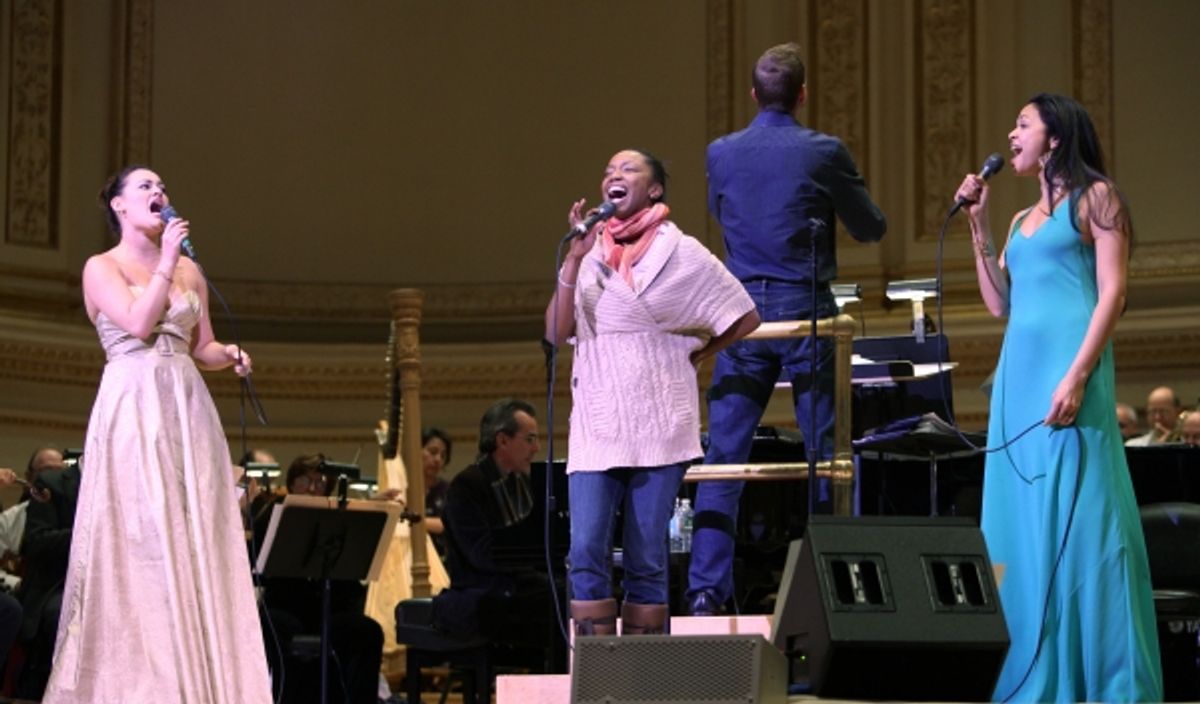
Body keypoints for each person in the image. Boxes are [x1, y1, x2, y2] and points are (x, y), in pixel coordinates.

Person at [954, 93, 1161, 701]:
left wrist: (1077, 376)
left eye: (1022, 124)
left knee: (1085, 524)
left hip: (1069, 379)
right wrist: (980, 224)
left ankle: (1103, 681)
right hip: (1017, 390)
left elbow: (1113, 293)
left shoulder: (1098, 198)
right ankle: (1031, 677)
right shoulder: (1020, 221)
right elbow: (1000, 304)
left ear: (1054, 136)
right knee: (1020, 531)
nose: (1011, 135)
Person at [42, 166, 272, 703]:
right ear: (119, 206)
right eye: (144, 186)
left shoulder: (189, 270)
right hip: (133, 403)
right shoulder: (102, 267)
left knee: (195, 537)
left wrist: (227, 356)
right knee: (143, 540)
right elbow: (139, 324)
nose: (158, 193)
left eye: (162, 186)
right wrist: (167, 261)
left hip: (186, 407)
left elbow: (200, 345)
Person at [688, 42, 887, 616]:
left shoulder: (721, 152)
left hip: (741, 312)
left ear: (754, 94)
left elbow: (722, 216)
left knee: (724, 455)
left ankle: (705, 592)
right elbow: (871, 228)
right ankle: (835, 587)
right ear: (802, 95)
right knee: (826, 452)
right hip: (807, 313)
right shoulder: (823, 151)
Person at [545, 148, 759, 635]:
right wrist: (574, 261)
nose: (613, 176)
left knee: (646, 554)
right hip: (599, 420)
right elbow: (557, 333)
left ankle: (643, 679)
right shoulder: (589, 250)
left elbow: (745, 314)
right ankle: (596, 673)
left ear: (655, 188)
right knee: (585, 550)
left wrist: (702, 351)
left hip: (659, 421)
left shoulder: (681, 252)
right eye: (607, 170)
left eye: (627, 169)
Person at [254, 454, 384, 704]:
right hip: (285, 606)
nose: (313, 488)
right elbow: (258, 567)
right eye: (305, 480)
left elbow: (351, 580)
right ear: (292, 483)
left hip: (328, 610)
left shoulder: (339, 518)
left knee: (368, 632)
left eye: (321, 482)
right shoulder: (273, 514)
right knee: (278, 627)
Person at [431, 400, 544, 644]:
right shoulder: (467, 485)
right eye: (530, 439)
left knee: (567, 594)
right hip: (480, 593)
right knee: (557, 599)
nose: (537, 448)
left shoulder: (521, 483)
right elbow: (481, 555)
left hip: (514, 584)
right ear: (502, 440)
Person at [14, 459, 81, 700]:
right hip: (57, 583)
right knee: (65, 616)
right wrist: (87, 532)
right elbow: (37, 542)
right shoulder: (51, 483)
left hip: (111, 586)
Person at [420, 427, 453, 554]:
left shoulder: (449, 490)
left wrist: (415, 523)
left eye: (443, 456)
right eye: (433, 452)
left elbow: (450, 524)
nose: (438, 459)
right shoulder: (403, 489)